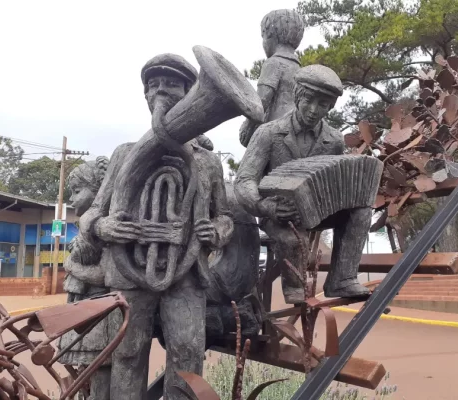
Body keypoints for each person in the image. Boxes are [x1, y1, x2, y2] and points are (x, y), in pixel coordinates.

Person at [78, 53, 233, 400]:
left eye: (172, 84)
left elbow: (224, 216)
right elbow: (91, 214)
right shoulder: (124, 154)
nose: (161, 91)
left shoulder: (208, 162)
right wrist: (102, 227)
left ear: (191, 93)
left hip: (186, 273)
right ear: (145, 95)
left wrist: (217, 232)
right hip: (128, 271)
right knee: (128, 353)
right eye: (154, 85)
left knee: (188, 351)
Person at [235, 65, 371, 304]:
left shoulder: (334, 140)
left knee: (360, 212)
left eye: (323, 105)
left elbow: (335, 181)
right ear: (297, 95)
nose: (313, 110)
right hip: (278, 214)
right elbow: (244, 181)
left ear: (330, 107)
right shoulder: (268, 133)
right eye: (309, 100)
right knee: (291, 238)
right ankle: (294, 286)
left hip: (317, 212)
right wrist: (266, 207)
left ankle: (342, 279)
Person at [59, 156, 111, 400]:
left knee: (99, 369)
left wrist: (70, 265)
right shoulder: (84, 225)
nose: (72, 199)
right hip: (81, 305)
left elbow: (105, 275)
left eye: (77, 191)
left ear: (98, 189)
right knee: (83, 374)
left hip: (98, 309)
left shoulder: (103, 227)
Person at [239, 9, 304, 147]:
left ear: (271, 36)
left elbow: (261, 101)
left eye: (263, 37)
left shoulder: (273, 63)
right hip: (296, 132)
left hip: (274, 130)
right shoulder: (299, 68)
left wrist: (246, 128)